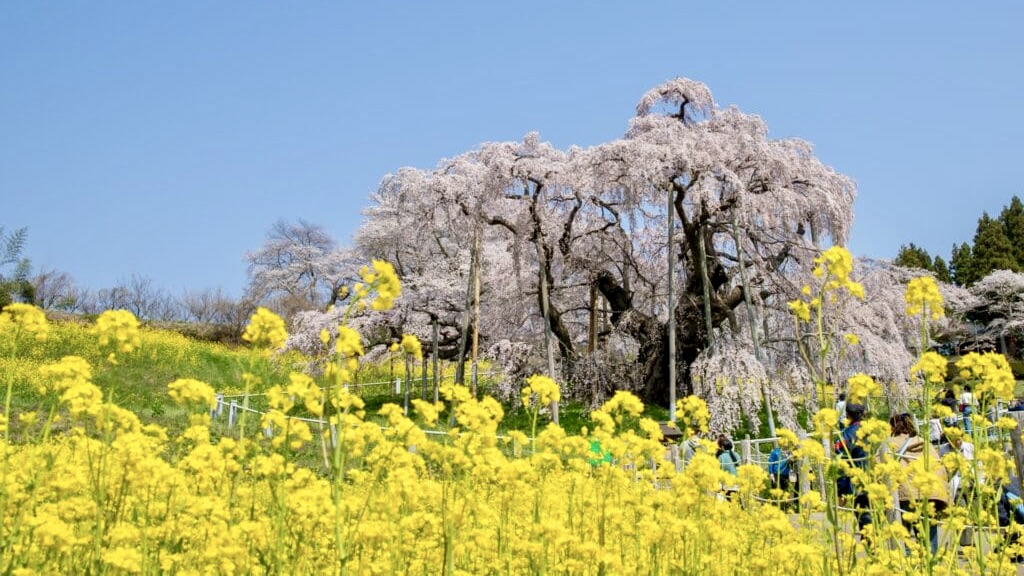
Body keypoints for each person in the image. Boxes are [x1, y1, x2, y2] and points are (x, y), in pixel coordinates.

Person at [884, 412, 949, 555]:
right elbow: (939, 469)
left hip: (902, 496)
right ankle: (929, 568)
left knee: (903, 539)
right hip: (927, 495)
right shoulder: (924, 442)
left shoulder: (889, 443)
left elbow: (880, 468)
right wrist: (940, 495)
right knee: (928, 539)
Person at [835, 402, 871, 531]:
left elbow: (841, 463)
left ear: (847, 415)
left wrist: (841, 491)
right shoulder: (876, 429)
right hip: (882, 482)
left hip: (860, 484)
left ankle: (873, 550)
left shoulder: (846, 435)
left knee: (866, 522)